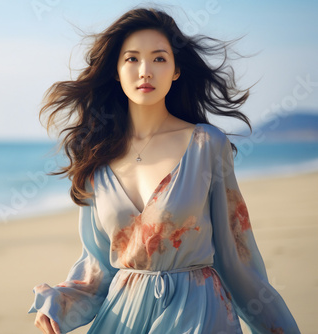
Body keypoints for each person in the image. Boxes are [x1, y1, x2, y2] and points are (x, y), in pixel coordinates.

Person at [27, 7, 300, 334]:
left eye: (159, 59)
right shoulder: (96, 159)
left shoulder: (206, 145)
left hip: (198, 315)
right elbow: (98, 270)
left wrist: (277, 327)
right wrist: (57, 306)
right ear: (115, 70)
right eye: (131, 59)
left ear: (176, 71)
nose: (145, 71)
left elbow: (235, 259)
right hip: (122, 319)